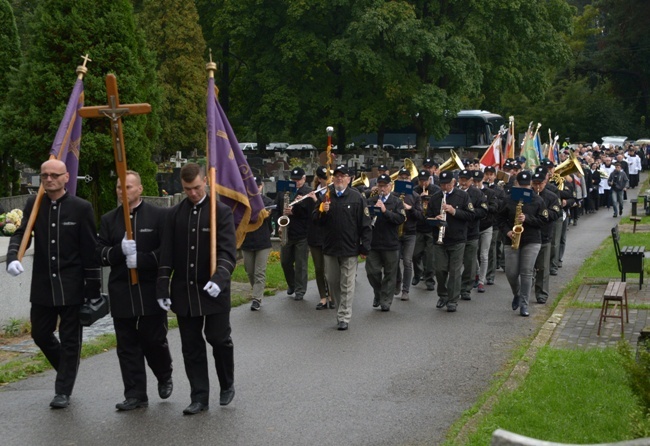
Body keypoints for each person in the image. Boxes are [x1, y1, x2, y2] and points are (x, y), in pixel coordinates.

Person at [6, 159, 101, 409]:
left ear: (66, 177)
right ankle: (67, 370)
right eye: (45, 175)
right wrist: (13, 257)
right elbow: (22, 232)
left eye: (54, 175)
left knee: (71, 340)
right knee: (40, 334)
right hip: (43, 285)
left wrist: (93, 292)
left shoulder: (82, 208)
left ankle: (63, 391)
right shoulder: (34, 203)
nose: (49, 179)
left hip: (72, 286)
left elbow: (90, 250)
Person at [156, 163, 237, 415]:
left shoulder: (220, 212)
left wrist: (220, 276)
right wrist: (162, 287)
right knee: (191, 347)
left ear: (206, 181)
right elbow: (166, 254)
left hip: (214, 288)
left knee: (218, 338)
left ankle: (227, 383)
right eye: (187, 189)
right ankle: (199, 396)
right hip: (185, 291)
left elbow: (227, 252)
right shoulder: (173, 215)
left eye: (197, 187)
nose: (192, 193)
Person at [96, 170, 174, 411]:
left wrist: (142, 259)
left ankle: (164, 374)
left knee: (153, 340)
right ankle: (135, 394)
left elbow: (168, 252)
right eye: (120, 187)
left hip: (150, 289)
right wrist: (118, 252)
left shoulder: (158, 216)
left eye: (128, 187)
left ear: (140, 189)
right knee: (127, 345)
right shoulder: (109, 220)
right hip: (122, 290)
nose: (123, 191)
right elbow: (99, 253)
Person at [313, 164, 372, 330]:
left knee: (347, 284)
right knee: (333, 282)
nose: (339, 178)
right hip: (330, 247)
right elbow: (315, 220)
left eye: (343, 176)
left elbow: (365, 224)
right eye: (337, 175)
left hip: (349, 248)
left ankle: (344, 316)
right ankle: (340, 309)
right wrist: (321, 211)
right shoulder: (326, 195)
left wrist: (364, 247)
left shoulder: (357, 197)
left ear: (349, 179)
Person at [496, 171, 547, 317]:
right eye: (521, 185)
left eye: (527, 185)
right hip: (511, 238)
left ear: (530, 184)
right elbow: (499, 219)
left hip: (532, 240)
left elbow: (543, 221)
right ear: (516, 184)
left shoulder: (537, 200)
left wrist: (528, 218)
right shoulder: (508, 199)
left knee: (526, 272)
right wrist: (507, 232)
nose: (524, 187)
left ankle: (524, 304)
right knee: (511, 272)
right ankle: (517, 293)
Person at [426, 171, 474, 312]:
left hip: (457, 239)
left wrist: (454, 212)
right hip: (439, 239)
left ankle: (453, 300)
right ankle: (443, 294)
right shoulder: (435, 198)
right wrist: (435, 219)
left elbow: (471, 215)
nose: (445, 187)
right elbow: (427, 218)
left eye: (447, 184)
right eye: (442, 184)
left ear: (453, 182)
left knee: (454, 271)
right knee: (440, 270)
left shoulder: (463, 196)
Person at [365, 174, 406, 311]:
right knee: (372, 272)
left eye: (384, 186)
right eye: (380, 185)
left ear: (390, 186)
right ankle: (378, 293)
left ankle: (386, 301)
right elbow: (364, 219)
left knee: (390, 273)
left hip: (390, 243)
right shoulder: (371, 200)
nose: (382, 188)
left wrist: (384, 211)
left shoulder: (396, 202)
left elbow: (400, 219)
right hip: (374, 243)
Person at [274, 167, 313, 301]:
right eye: (293, 180)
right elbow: (277, 209)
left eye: (298, 180)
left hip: (302, 232)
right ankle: (292, 284)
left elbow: (310, 212)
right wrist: (279, 225)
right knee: (285, 262)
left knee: (301, 264)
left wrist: (296, 210)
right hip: (287, 231)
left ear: (304, 179)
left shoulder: (308, 192)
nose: (296, 182)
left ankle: (300, 290)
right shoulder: (283, 191)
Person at [240, 176, 274, 311]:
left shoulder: (268, 201)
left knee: (260, 271)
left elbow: (271, 218)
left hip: (262, 241)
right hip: (247, 240)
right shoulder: (243, 201)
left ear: (261, 187)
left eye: (257, 186)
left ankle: (256, 298)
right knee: (250, 271)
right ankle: (256, 292)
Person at [531, 169, 562, 305]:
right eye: (535, 183)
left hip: (544, 235)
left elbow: (555, 214)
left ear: (545, 182)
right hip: (530, 235)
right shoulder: (528, 195)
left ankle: (541, 294)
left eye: (540, 183)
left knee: (543, 267)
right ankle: (526, 289)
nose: (538, 186)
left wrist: (541, 214)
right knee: (528, 267)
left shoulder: (551, 196)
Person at [395, 168, 424, 301]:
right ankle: (397, 283)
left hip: (410, 233)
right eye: (402, 177)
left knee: (407, 261)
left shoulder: (415, 196)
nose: (405, 180)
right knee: (394, 262)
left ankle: (405, 290)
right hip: (395, 232)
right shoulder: (394, 194)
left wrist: (410, 208)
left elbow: (420, 216)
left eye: (407, 178)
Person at [457, 169, 487, 301]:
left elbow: (484, 210)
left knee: (469, 263)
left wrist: (469, 213)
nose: (463, 182)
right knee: (455, 264)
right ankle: (454, 287)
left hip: (471, 232)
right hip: (455, 233)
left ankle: (465, 289)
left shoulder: (477, 193)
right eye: (461, 179)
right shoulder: (455, 192)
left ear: (471, 181)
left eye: (465, 180)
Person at [308, 166, 334, 310]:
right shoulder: (311, 193)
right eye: (324, 178)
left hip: (329, 235)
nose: (326, 180)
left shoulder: (333, 192)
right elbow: (310, 215)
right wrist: (312, 200)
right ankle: (323, 297)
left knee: (329, 268)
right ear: (318, 178)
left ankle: (332, 295)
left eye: (328, 177)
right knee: (319, 268)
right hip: (315, 235)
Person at [412, 169, 440, 290]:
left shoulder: (436, 190)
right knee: (415, 254)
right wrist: (419, 198)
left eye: (425, 180)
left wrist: (428, 199)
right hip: (418, 226)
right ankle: (418, 274)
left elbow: (439, 205)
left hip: (430, 227)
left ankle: (430, 280)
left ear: (429, 179)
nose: (423, 183)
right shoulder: (414, 191)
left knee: (430, 256)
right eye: (421, 180)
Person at [472, 170, 499, 293]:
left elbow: (495, 207)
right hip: (474, 227)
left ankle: (482, 281)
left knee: (484, 255)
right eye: (475, 181)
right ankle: (477, 273)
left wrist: (484, 207)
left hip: (487, 227)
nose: (477, 183)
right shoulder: (470, 193)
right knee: (473, 254)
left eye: (479, 181)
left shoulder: (490, 192)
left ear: (483, 180)